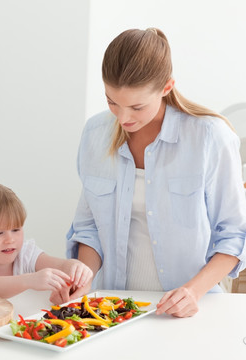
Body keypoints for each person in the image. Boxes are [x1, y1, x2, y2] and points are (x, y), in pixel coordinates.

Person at [66, 28, 246, 318]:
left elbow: (235, 234)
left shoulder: (210, 138)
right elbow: (88, 228)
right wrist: (82, 277)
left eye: (137, 106)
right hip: (112, 311)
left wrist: (192, 292)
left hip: (188, 311)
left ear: (166, 87)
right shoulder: (95, 134)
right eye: (112, 102)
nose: (123, 118)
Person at [0, 182, 92, 304]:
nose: (10, 239)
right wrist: (30, 280)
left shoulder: (26, 252)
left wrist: (75, 267)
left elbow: (60, 266)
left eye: (16, 230)